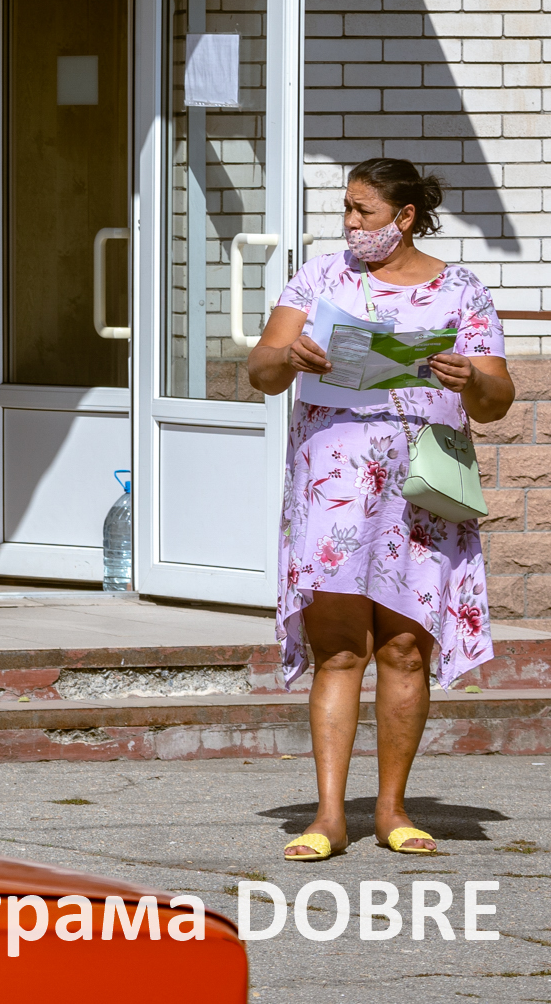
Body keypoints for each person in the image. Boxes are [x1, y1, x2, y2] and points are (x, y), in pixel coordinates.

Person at [247, 159, 512, 862]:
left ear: (404, 216)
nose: (350, 223)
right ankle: (329, 815)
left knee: (404, 649)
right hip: (334, 489)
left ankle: (392, 809)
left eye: (363, 210)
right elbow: (261, 371)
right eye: (347, 208)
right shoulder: (320, 278)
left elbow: (496, 399)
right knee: (339, 650)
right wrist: (290, 356)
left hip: (420, 493)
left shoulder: (461, 289)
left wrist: (469, 376)